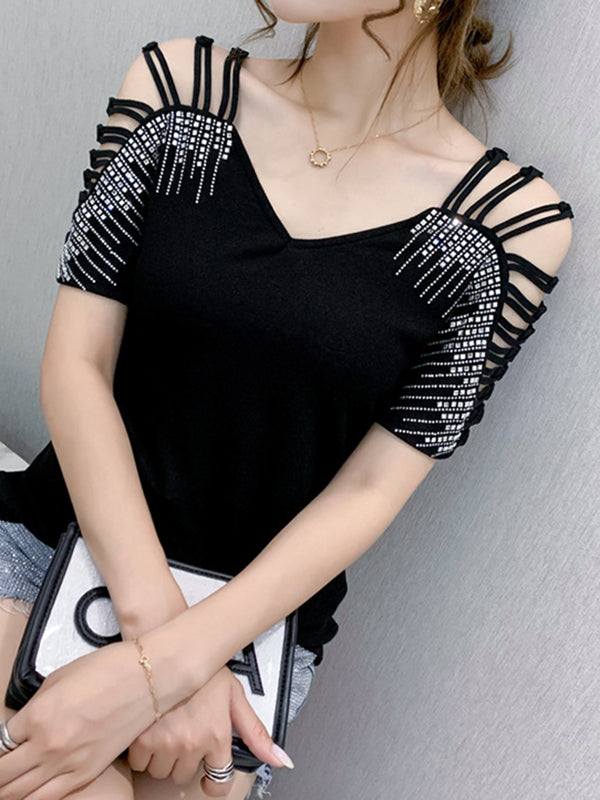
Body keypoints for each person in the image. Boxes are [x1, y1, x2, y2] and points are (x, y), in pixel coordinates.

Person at [0, 0, 574, 798]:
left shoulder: (507, 228)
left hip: (248, 635)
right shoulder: (178, 90)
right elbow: (76, 366)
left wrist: (176, 662)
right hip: (56, 546)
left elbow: (370, 489)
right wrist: (164, 658)